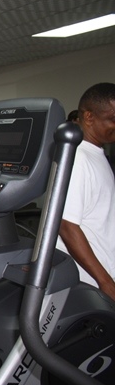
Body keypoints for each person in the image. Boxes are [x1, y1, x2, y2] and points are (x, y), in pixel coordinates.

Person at [56, 82, 115, 302]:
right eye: (113, 119)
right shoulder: (79, 158)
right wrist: (105, 282)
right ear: (89, 117)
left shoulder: (95, 152)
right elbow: (66, 226)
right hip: (89, 283)